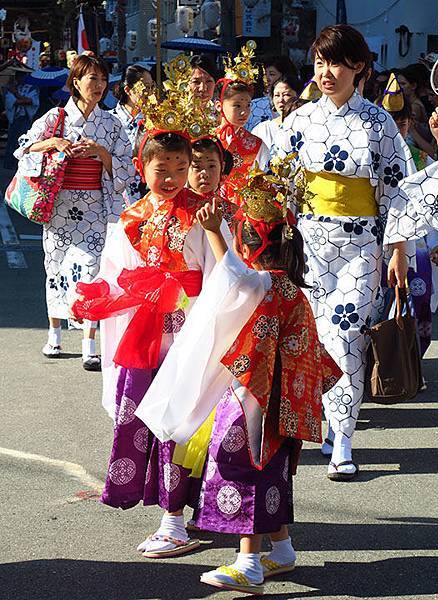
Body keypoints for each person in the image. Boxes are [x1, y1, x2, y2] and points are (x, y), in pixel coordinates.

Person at [134, 161, 341, 594]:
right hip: (284, 398)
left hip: (256, 396)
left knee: (243, 469)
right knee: (273, 473)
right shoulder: (291, 289)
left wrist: (212, 231)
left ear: (250, 241)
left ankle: (248, 562)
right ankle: (281, 551)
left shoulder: (262, 283)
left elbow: (237, 279)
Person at [71, 60, 232, 557]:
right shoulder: (131, 217)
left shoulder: (202, 214)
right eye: (163, 169)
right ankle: (171, 511)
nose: (173, 177)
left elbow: (221, 273)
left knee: (180, 425)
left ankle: (175, 518)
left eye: (182, 169)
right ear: (142, 168)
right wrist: (99, 297)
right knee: (144, 420)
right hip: (142, 335)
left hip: (187, 336)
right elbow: (115, 272)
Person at [276, 24, 423, 481]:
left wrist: (398, 248)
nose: (327, 72)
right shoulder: (298, 120)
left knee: (345, 334)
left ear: (359, 67)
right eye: (320, 62)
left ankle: (343, 435)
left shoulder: (379, 123)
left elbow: (398, 191)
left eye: (337, 62)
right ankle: (325, 421)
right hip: (310, 244)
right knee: (317, 336)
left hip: (361, 244)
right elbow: (283, 185)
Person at [14, 54, 133, 370]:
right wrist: (54, 142)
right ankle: (54, 333)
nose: (98, 85)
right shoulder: (55, 117)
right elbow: (24, 147)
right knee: (55, 266)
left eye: (103, 79)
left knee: (91, 271)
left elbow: (126, 168)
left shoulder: (111, 124)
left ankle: (89, 342)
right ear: (76, 83)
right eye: (91, 79)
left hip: (94, 204)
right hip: (59, 204)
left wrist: (101, 152)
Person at [382, 73, 438, 356]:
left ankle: (411, 365)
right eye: (391, 122)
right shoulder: (371, 155)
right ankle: (380, 368)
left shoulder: (422, 159)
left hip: (419, 244)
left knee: (416, 303)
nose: (398, 128)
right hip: (375, 240)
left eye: (403, 122)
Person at [215, 41, 270, 206]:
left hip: (243, 212)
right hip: (208, 209)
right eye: (237, 105)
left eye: (247, 105)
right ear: (219, 105)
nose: (244, 112)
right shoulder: (207, 140)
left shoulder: (256, 144)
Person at [400, 100, 438, 238]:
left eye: (401, 124)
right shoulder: (372, 155)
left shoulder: (420, 157)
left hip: (418, 237)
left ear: (409, 123)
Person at [110, 64, 154, 205]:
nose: (150, 92)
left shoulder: (154, 119)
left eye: (152, 87)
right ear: (128, 90)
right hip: (114, 189)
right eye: (145, 87)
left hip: (147, 187)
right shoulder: (108, 119)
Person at [187, 136, 236, 226]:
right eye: (197, 166)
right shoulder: (172, 204)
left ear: (222, 167)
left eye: (212, 166)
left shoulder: (234, 213)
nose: (205, 173)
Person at [251, 74, 303, 157]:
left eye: (286, 95)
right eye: (277, 95)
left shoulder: (306, 126)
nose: (280, 100)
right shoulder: (262, 130)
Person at [246, 54, 298, 131]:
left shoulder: (300, 107)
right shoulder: (253, 105)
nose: (266, 79)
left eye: (272, 74)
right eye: (264, 74)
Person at [3, 70, 39, 169]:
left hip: (26, 118)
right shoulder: (11, 87)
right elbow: (10, 101)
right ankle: (10, 164)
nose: (19, 78)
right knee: (12, 141)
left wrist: (17, 96)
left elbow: (31, 101)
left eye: (22, 75)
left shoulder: (31, 88)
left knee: (26, 142)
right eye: (18, 75)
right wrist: (20, 99)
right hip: (15, 118)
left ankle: (23, 164)